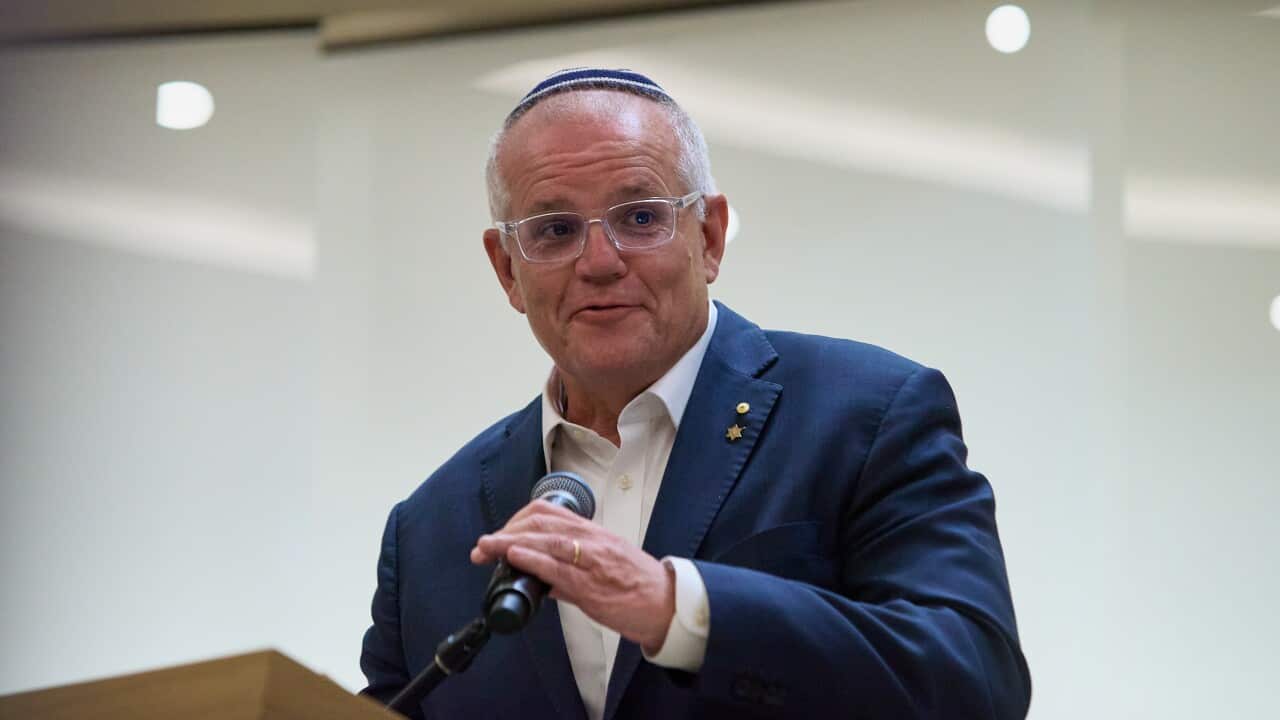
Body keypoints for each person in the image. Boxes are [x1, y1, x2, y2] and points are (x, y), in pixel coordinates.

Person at [359, 67, 1031, 720]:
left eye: (641, 217)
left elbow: (972, 680)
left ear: (708, 237)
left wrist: (675, 609)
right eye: (555, 230)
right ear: (508, 269)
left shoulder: (868, 414)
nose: (599, 262)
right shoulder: (428, 531)